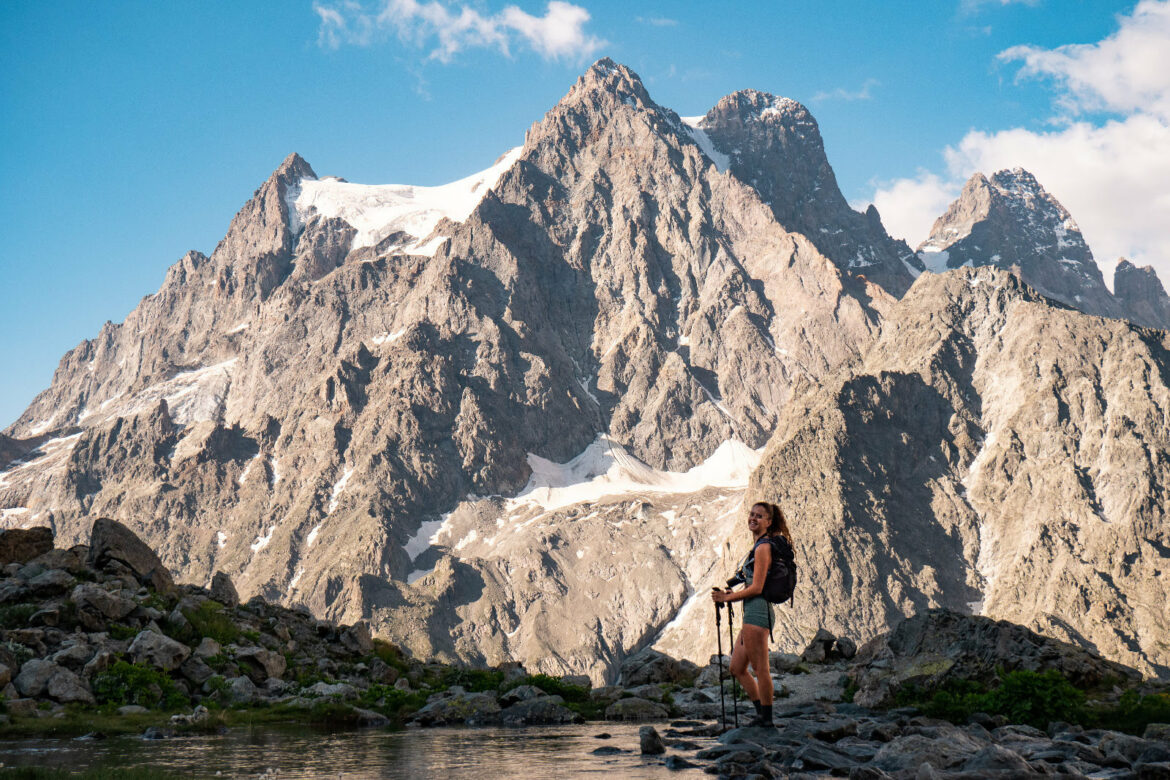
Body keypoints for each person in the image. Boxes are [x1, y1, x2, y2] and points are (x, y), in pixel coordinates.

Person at [711, 501, 792, 728]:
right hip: (752, 613)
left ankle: (767, 719)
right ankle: (761, 713)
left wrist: (727, 599)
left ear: (768, 522)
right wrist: (732, 592)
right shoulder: (757, 546)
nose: (753, 518)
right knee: (736, 668)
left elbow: (757, 587)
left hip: (758, 613)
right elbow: (751, 584)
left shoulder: (763, 547)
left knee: (760, 669)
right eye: (751, 514)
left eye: (759, 516)